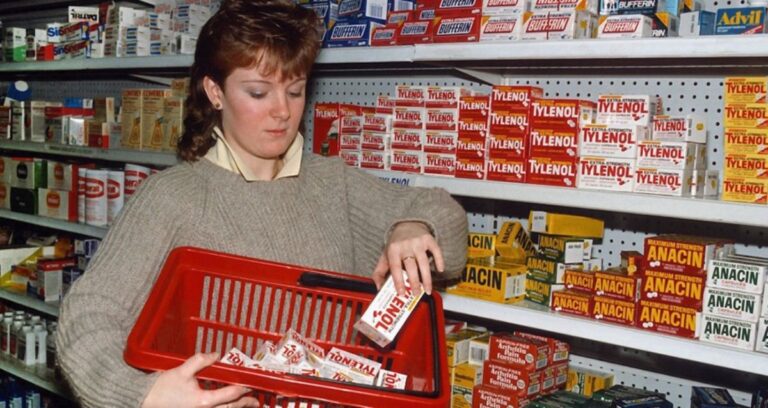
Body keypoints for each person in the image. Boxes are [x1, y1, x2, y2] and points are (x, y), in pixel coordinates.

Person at [55, 1, 468, 407]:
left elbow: (441, 219)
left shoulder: (331, 183)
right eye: (258, 92)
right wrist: (141, 396)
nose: (282, 112)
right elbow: (87, 318)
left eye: (295, 91)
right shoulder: (173, 197)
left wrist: (413, 226)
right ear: (215, 92)